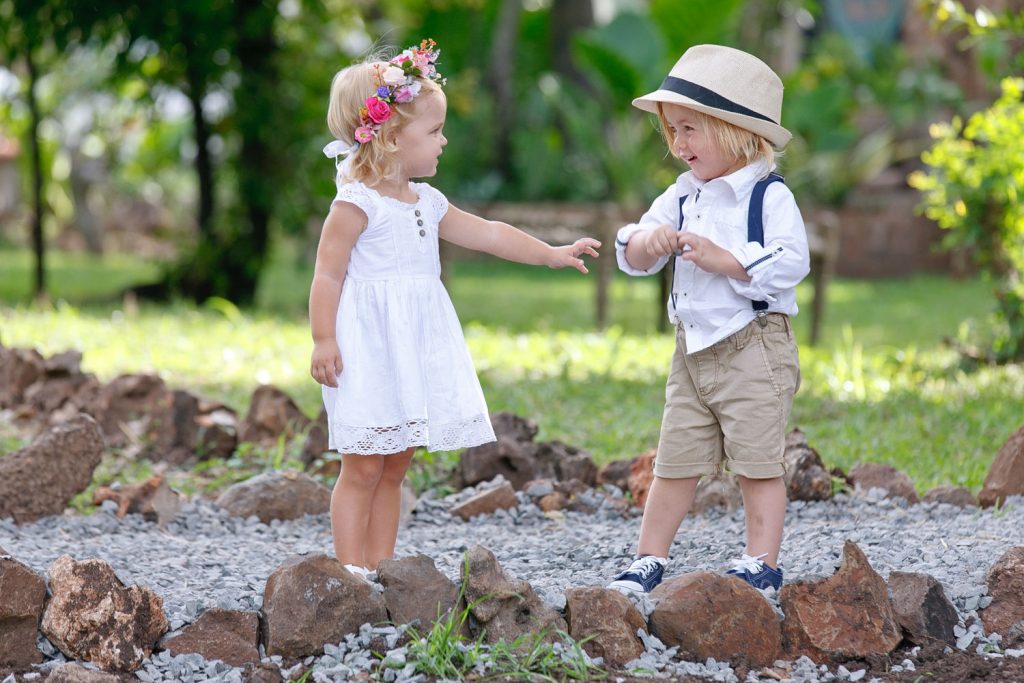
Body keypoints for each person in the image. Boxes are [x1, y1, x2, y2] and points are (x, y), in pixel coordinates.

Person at [309, 39, 600, 581]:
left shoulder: (428, 202)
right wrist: (323, 339)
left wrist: (552, 254)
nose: (444, 140)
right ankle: (350, 571)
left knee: (397, 463)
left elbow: (490, 234)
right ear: (394, 138)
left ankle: (383, 567)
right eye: (435, 131)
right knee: (364, 463)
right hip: (367, 349)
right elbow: (327, 275)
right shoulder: (356, 204)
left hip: (413, 346)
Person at [607, 44, 809, 594]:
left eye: (690, 129)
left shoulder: (767, 196)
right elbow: (632, 245)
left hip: (753, 347)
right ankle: (648, 557)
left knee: (758, 459)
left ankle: (760, 560)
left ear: (736, 131)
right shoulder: (682, 193)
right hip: (692, 350)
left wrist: (729, 261)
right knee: (675, 458)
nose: (677, 143)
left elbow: (793, 259)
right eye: (672, 131)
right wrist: (648, 243)